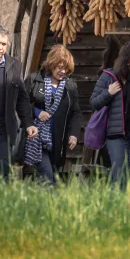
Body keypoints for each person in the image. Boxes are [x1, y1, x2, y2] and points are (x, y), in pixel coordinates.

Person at [89, 40, 130, 183]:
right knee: (120, 174)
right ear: (128, 59)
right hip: (116, 134)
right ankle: (117, 203)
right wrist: (108, 93)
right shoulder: (109, 76)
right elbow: (94, 103)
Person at [24, 44, 82, 185]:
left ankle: (40, 205)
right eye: (60, 67)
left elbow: (76, 112)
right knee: (47, 177)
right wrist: (37, 112)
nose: (63, 72)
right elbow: (21, 105)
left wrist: (73, 134)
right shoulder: (34, 80)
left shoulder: (70, 87)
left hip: (57, 142)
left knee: (50, 178)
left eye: (66, 69)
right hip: (36, 140)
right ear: (51, 64)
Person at [0, 24, 37, 179]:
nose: (0, 48)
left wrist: (28, 122)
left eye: (4, 44)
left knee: (2, 173)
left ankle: (0, 203)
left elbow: (21, 97)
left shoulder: (14, 65)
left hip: (3, 128)